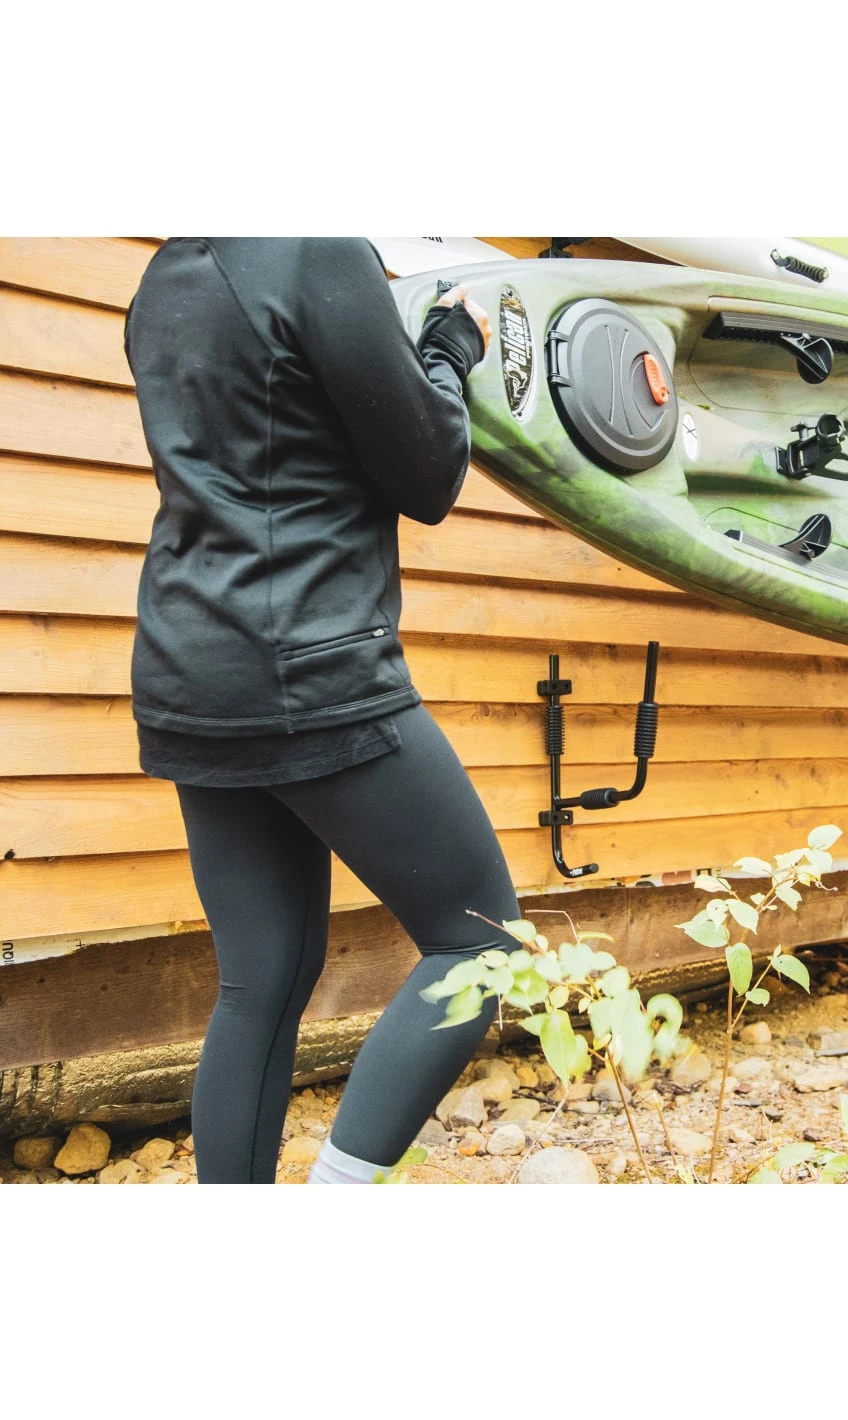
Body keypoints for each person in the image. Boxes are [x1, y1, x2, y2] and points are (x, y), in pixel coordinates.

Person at [124, 238, 521, 1182]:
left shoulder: (162, 278)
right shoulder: (315, 249)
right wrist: (449, 348)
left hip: (189, 671)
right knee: (482, 944)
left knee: (260, 980)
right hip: (310, 669)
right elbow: (427, 471)